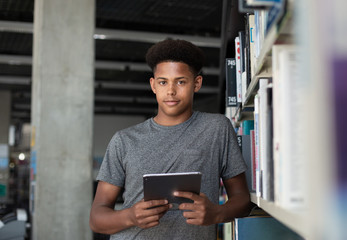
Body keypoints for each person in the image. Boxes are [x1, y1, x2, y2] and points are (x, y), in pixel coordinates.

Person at [89, 39, 252, 239]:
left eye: (181, 81)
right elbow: (97, 219)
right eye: (163, 82)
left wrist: (217, 213)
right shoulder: (123, 140)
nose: (171, 90)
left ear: (197, 83)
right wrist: (130, 216)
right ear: (153, 85)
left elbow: (243, 200)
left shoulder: (217, 128)